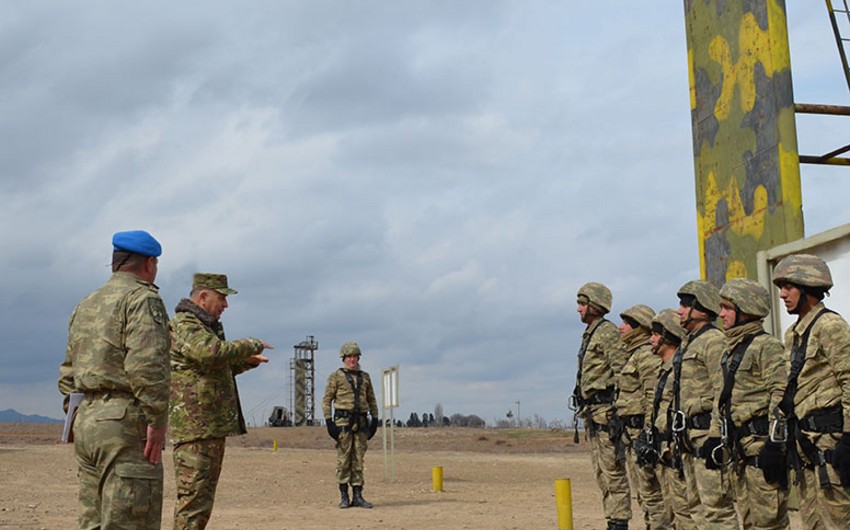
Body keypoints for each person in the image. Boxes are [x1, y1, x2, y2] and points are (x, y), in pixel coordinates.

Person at [58, 230, 171, 529]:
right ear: (149, 264)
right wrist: (157, 421)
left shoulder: (86, 304)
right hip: (125, 424)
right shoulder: (141, 299)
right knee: (131, 520)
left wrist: (74, 415)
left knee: (92, 520)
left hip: (87, 421)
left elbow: (69, 370)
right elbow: (147, 365)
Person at [168, 273, 273, 530]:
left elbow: (215, 365)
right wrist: (251, 345)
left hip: (208, 428)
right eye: (222, 298)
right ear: (203, 297)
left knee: (202, 502)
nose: (226, 305)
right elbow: (209, 352)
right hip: (195, 430)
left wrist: (245, 362)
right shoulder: (186, 324)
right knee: (192, 502)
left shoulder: (205, 328)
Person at [699, 278, 789, 529]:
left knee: (768, 523)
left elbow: (780, 395)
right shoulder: (730, 350)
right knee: (749, 522)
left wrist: (775, 444)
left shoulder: (766, 345)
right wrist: (715, 436)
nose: (721, 314)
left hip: (761, 451)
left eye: (727, 308)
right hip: (740, 453)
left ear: (745, 309)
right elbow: (721, 397)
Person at [772, 254, 850, 529]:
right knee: (812, 523)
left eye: (789, 287)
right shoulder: (793, 333)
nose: (782, 295)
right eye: (781, 288)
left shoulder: (831, 326)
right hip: (805, 447)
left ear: (808, 288)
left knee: (838, 522)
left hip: (831, 444)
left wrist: (849, 439)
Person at [571, 282, 631, 530]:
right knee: (602, 473)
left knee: (613, 472)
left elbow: (622, 372)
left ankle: (618, 523)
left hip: (607, 414)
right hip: (593, 414)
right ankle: (612, 520)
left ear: (595, 306)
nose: (578, 309)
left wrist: (619, 410)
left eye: (582, 304)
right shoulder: (592, 333)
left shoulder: (606, 332)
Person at [615, 304, 670, 529]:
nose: (621, 327)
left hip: (643, 434)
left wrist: (648, 434)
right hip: (632, 434)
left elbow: (653, 398)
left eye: (628, 323)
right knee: (645, 495)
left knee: (653, 494)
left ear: (640, 328)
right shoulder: (634, 355)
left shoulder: (647, 355)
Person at [642, 308, 695, 529]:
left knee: (685, 515)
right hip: (662, 451)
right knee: (669, 512)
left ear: (668, 336)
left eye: (655, 334)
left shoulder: (681, 370)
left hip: (677, 452)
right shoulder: (664, 371)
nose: (650, 339)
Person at [322, 341, 380, 509]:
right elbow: (327, 400)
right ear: (344, 358)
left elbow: (372, 400)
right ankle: (344, 496)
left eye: (355, 357)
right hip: (343, 424)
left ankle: (358, 495)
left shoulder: (365, 377)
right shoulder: (336, 377)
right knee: (344, 460)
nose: (352, 360)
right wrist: (328, 422)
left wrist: (375, 420)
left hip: (361, 424)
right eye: (349, 357)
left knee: (358, 460)